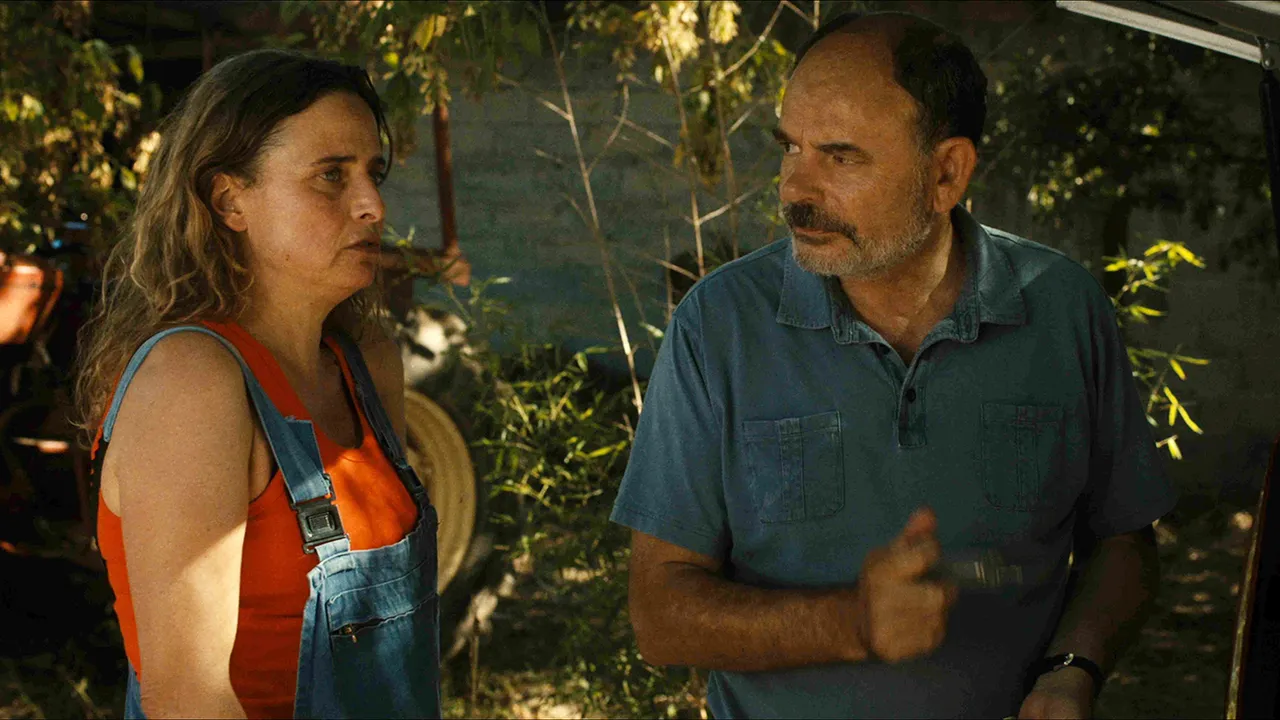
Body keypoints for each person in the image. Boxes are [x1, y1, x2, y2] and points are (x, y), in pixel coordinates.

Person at [611, 11, 1174, 720]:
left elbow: (1123, 542)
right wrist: (851, 624)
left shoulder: (1061, 309)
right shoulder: (719, 325)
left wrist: (1073, 670)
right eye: (791, 148)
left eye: (840, 157)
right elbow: (659, 615)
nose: (794, 189)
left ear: (946, 173)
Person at [75, 49, 441, 719]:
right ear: (229, 201)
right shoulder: (193, 383)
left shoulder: (366, 362)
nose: (372, 206)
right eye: (331, 176)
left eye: (374, 173)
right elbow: (188, 700)